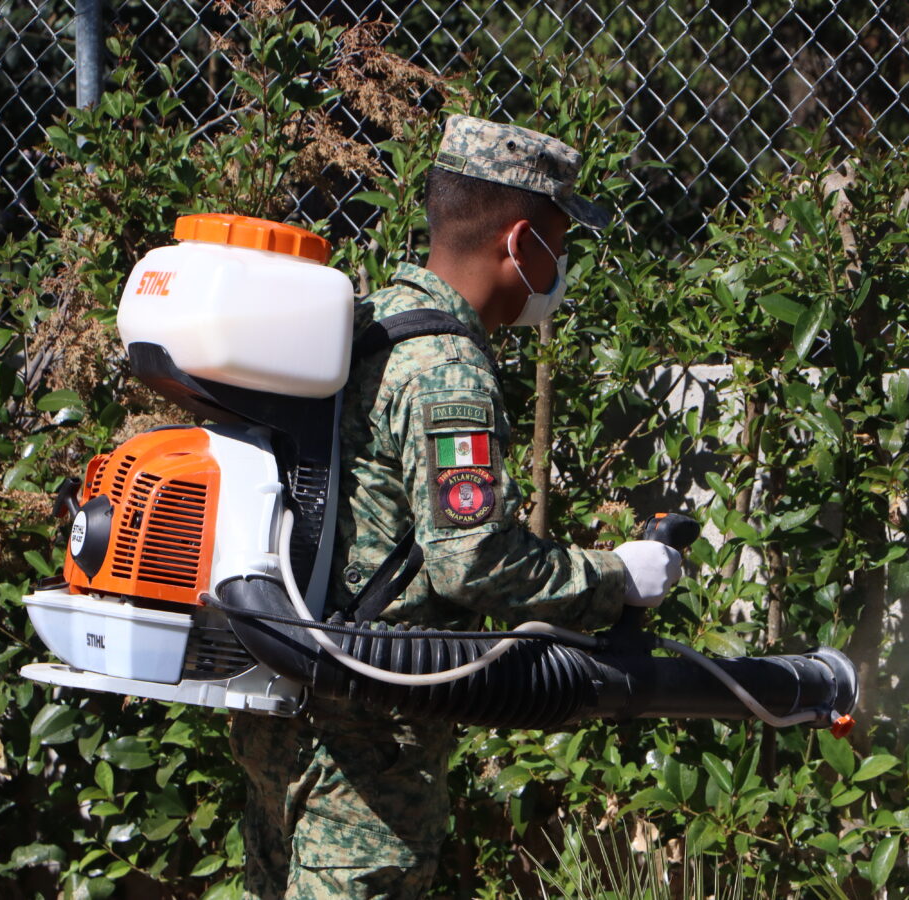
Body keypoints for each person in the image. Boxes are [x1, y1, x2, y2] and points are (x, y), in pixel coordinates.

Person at [228, 115, 683, 899]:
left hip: (281, 711)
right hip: (368, 743)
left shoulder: (369, 326)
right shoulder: (448, 370)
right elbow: (472, 558)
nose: (564, 262)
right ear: (520, 244)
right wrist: (619, 576)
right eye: (560, 239)